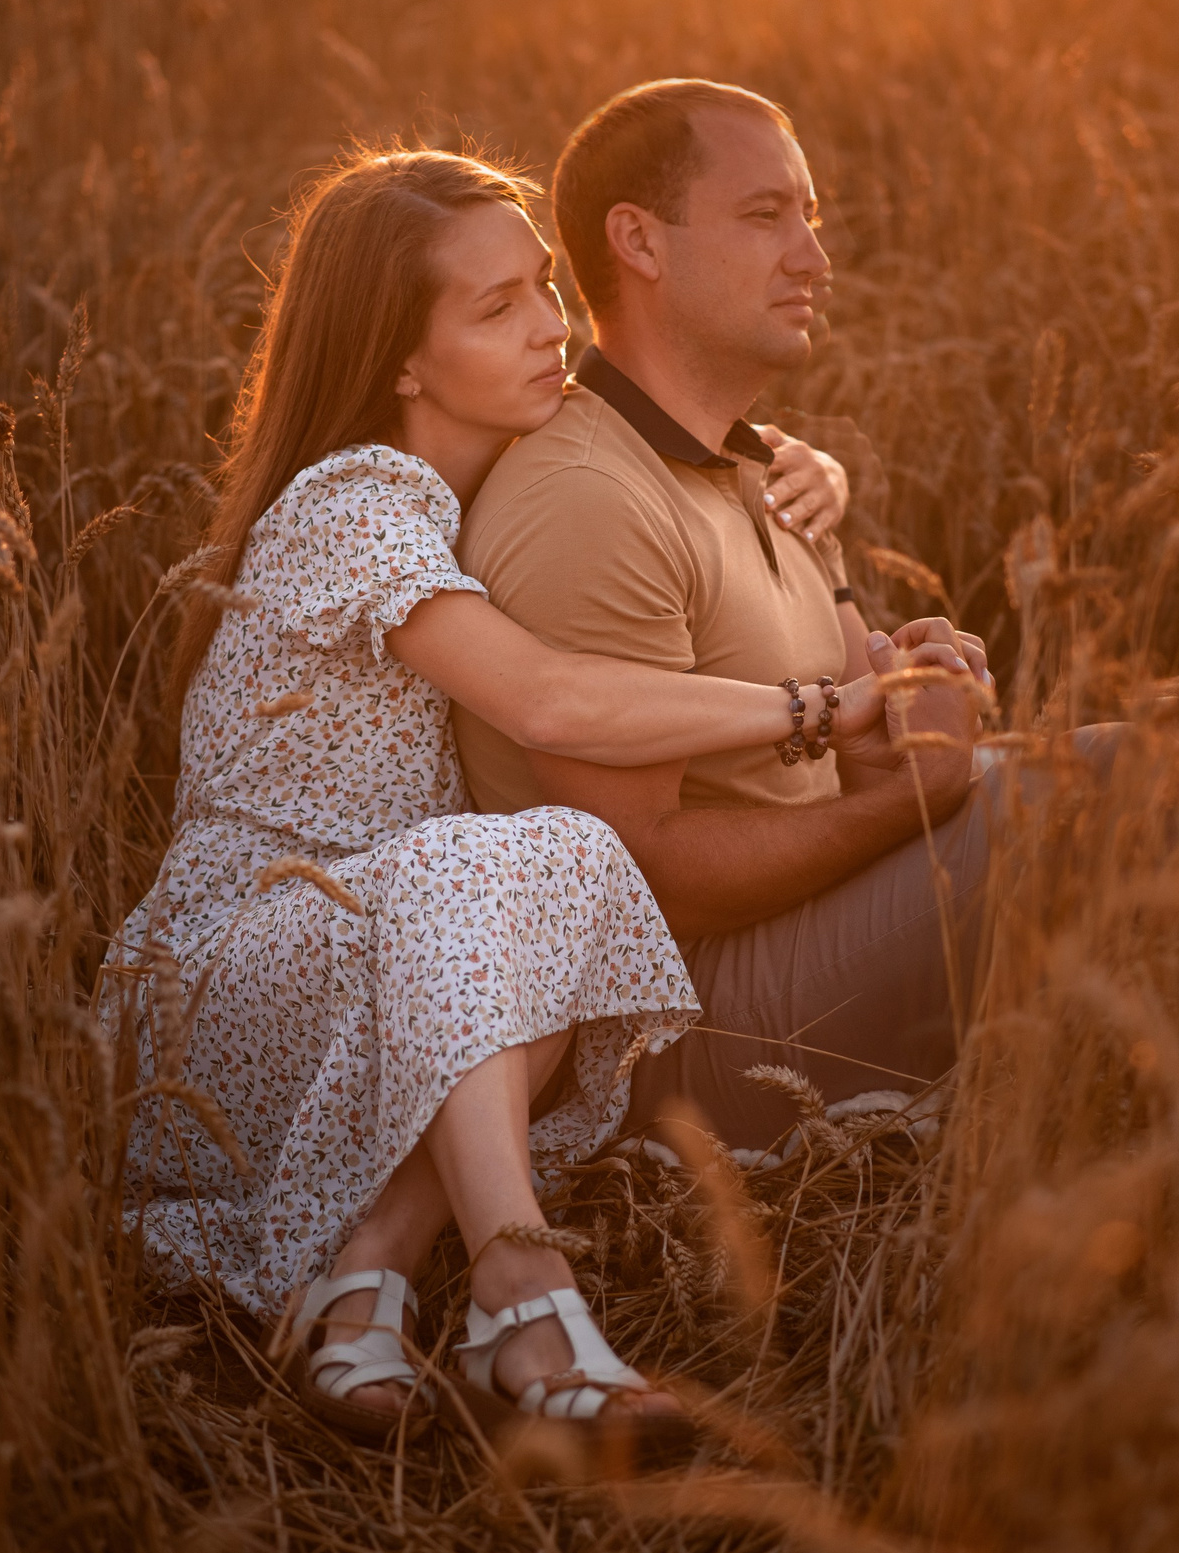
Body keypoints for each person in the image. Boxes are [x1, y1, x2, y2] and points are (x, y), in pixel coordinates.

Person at [110, 147, 960, 1467]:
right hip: (232, 979)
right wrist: (812, 708)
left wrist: (797, 484)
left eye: (548, 290)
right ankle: (522, 1296)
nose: (552, 327)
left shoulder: (479, 502)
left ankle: (364, 1282)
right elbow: (554, 704)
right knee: (528, 858)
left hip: (389, 962)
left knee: (546, 872)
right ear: (401, 359)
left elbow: (658, 467)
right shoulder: (356, 500)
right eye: (495, 309)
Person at [456, 78, 1115, 1154]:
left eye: (810, 216)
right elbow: (638, 875)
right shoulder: (587, 496)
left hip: (810, 935)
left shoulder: (764, 470)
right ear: (640, 242)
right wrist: (907, 807)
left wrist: (916, 688)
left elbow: (832, 725)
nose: (812, 255)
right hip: (683, 1035)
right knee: (1123, 786)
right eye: (765, 216)